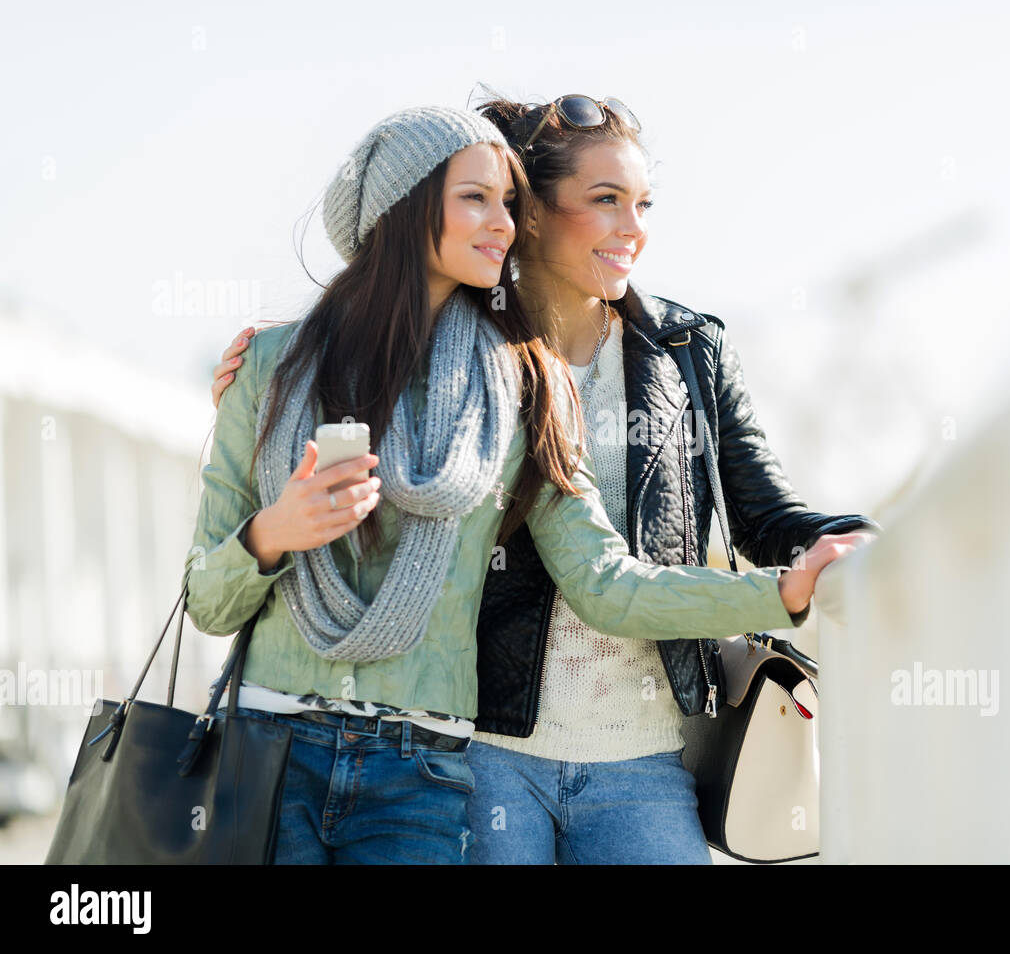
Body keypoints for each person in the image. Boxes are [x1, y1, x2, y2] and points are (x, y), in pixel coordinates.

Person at [187, 105, 859, 865]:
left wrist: (785, 590)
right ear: (405, 211)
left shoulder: (526, 384)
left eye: (508, 201)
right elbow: (208, 600)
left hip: (434, 768)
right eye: (478, 198)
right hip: (292, 750)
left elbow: (606, 581)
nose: (503, 221)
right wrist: (273, 530)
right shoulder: (275, 370)